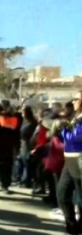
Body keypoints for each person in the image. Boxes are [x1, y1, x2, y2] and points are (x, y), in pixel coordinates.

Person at [57, 90, 82, 234]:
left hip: (79, 159)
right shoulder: (75, 117)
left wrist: (63, 129)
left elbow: (75, 137)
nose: (73, 102)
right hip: (69, 159)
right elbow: (66, 139)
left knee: (80, 197)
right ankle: (71, 225)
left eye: (76, 99)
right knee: (62, 193)